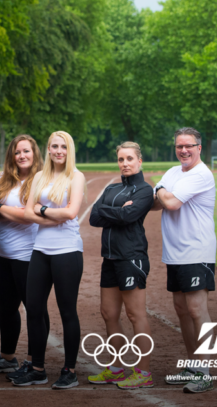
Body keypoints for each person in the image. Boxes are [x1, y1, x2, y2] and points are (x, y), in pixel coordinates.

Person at [153, 127, 216, 394]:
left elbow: (171, 203)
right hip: (175, 253)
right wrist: (162, 193)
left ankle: (206, 371)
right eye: (179, 146)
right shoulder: (173, 172)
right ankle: (193, 364)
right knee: (181, 308)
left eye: (189, 145)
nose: (184, 150)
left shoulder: (201, 174)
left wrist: (161, 190)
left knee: (197, 310)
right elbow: (157, 203)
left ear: (199, 148)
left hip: (197, 251)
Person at [20, 131, 85, 389]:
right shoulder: (39, 176)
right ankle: (37, 368)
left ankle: (69, 370)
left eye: (63, 147)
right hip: (41, 249)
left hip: (67, 251)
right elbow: (27, 212)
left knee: (67, 311)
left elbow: (71, 213)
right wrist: (52, 215)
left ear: (70, 150)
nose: (59, 151)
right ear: (48, 149)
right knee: (34, 309)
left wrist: (43, 209)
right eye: (54, 146)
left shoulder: (75, 177)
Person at [88, 142, 155, 389]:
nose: (124, 163)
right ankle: (116, 368)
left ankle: (143, 372)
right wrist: (116, 209)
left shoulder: (144, 190)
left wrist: (110, 211)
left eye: (129, 159)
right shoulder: (113, 188)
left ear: (139, 161)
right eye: (120, 159)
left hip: (131, 258)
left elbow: (129, 217)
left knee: (136, 314)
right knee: (109, 314)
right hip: (110, 259)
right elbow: (94, 217)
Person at [0, 135, 49, 380]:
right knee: (6, 308)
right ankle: (8, 357)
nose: (21, 155)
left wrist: (0, 209)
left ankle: (35, 362)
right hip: (2, 254)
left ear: (34, 153)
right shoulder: (0, 179)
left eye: (26, 151)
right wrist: (17, 212)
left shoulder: (42, 180)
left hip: (31, 254)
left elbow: (30, 216)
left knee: (35, 309)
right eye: (17, 152)